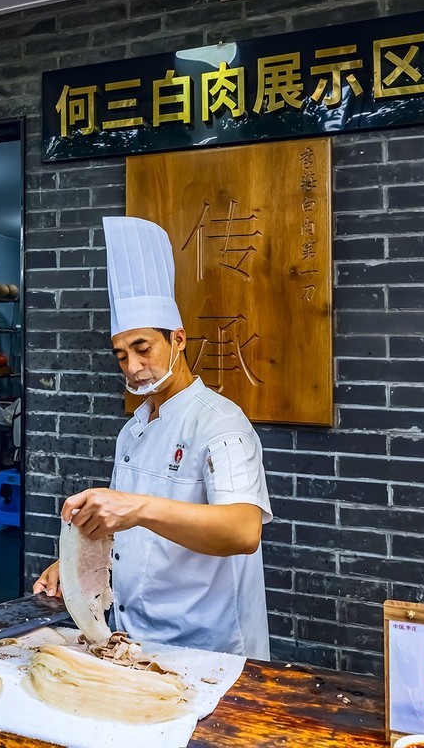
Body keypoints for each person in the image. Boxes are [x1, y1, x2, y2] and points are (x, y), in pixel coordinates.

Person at [33, 216, 272, 658]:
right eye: (121, 356)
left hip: (205, 644)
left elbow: (243, 531)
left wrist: (136, 507)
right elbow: (124, 531)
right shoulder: (134, 429)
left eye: (143, 349)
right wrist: (74, 564)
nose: (133, 367)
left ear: (178, 339)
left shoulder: (220, 423)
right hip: (132, 635)